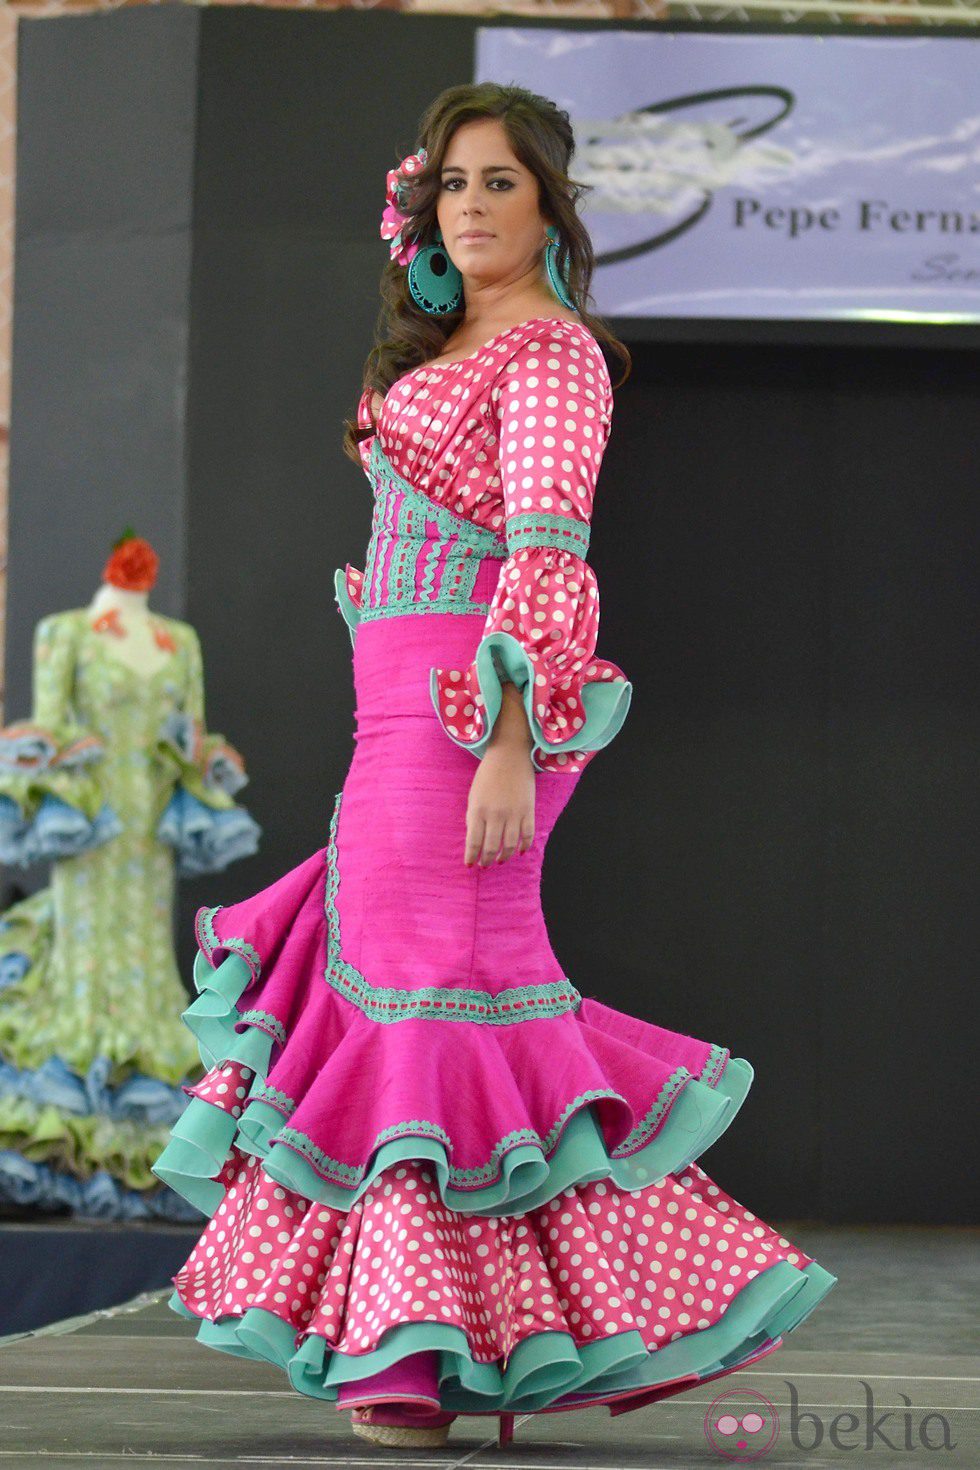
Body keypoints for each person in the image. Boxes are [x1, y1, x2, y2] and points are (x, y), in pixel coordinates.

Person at [151, 83, 837, 1451]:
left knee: (424, 1006)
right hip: (393, 714)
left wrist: (515, 742)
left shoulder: (552, 354)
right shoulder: (442, 341)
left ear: (549, 207)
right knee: (418, 1003)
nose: (470, 205)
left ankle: (408, 1362)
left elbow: (546, 556)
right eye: (451, 183)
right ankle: (458, 1339)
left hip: (474, 718)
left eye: (499, 183)